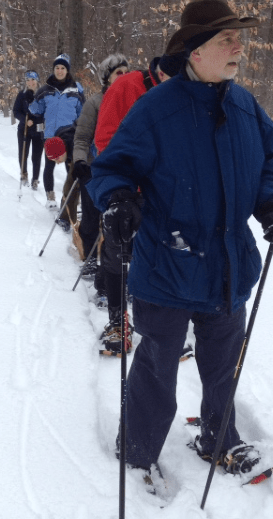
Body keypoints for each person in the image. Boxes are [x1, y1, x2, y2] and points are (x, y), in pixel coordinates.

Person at [85, 0, 273, 480]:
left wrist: (270, 205)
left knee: (223, 366)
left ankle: (219, 439)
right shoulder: (156, 109)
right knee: (158, 364)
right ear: (196, 50)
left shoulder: (244, 105)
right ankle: (137, 452)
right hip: (167, 263)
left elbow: (269, 160)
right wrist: (117, 202)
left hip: (227, 265)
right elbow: (112, 166)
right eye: (227, 39)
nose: (239, 46)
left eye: (238, 38)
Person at [90, 53, 185, 351]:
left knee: (169, 254)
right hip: (129, 188)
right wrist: (123, 186)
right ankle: (118, 323)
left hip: (169, 190)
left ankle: (164, 329)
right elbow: (105, 139)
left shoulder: (191, 90)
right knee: (120, 251)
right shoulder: (127, 87)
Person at [71, 54, 130, 290]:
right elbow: (82, 137)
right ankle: (88, 259)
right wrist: (79, 162)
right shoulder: (95, 103)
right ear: (107, 77)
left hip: (124, 171)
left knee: (116, 224)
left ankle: (111, 271)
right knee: (91, 216)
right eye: (119, 73)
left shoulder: (135, 100)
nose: (124, 78)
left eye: (127, 73)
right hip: (95, 169)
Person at [28, 54, 85, 208]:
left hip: (71, 135)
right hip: (51, 135)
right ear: (53, 69)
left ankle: (72, 197)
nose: (59, 71)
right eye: (57, 68)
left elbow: (82, 112)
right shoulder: (45, 89)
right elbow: (36, 110)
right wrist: (32, 97)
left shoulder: (76, 89)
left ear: (67, 70)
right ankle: (50, 196)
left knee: (71, 167)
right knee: (49, 165)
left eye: (63, 68)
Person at [12, 70, 43, 190]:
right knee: (23, 153)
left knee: (37, 156)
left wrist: (43, 122)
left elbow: (47, 111)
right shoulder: (22, 95)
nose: (30, 83)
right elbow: (16, 111)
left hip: (38, 129)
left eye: (33, 80)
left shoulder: (42, 94)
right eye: (28, 80)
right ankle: (24, 174)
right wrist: (25, 120)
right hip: (24, 129)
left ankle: (35, 179)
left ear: (37, 80)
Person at [44, 127, 77, 232]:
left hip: (89, 155)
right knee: (70, 185)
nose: (57, 163)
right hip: (72, 153)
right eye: (54, 160)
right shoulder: (59, 137)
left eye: (57, 158)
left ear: (62, 152)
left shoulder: (75, 146)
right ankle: (65, 217)